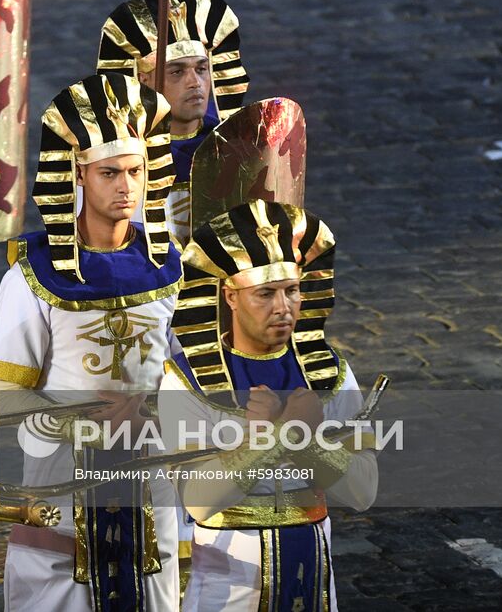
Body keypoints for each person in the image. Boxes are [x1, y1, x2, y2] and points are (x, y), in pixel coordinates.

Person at [0, 74, 183, 612]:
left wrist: (161, 411)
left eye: (136, 171)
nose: (126, 187)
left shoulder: (170, 267)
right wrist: (86, 422)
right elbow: (3, 393)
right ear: (77, 174)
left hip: (150, 474)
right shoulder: (33, 275)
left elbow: (192, 373)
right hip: (63, 479)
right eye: (110, 173)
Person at [160, 200, 379, 611]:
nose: (283, 307)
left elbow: (363, 490)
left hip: (312, 568)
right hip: (226, 586)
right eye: (265, 293)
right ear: (231, 297)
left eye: (292, 291)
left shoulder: (330, 373)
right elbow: (200, 499)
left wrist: (294, 436)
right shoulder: (185, 381)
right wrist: (285, 435)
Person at [97, 0, 248, 243]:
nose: (194, 82)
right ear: (144, 81)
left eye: (201, 69)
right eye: (177, 72)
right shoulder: (112, 158)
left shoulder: (236, 146)